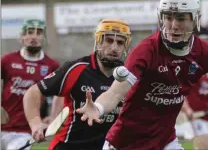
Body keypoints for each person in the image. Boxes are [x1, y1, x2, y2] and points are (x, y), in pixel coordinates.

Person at [76, 0, 208, 150]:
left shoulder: (206, 53)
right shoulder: (146, 51)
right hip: (124, 144)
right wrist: (98, 108)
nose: (173, 25)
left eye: (181, 18)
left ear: (196, 19)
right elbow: (115, 92)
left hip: (165, 143)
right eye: (168, 17)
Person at [23, 19, 132, 150]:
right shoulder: (76, 69)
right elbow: (33, 92)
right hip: (69, 146)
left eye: (120, 42)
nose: (114, 47)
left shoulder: (129, 76)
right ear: (98, 41)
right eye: (109, 40)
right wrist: (36, 124)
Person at [1, 19, 59, 150]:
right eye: (29, 32)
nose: (33, 36)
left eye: (39, 33)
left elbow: (61, 93)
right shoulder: (7, 60)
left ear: (44, 38)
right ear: (21, 37)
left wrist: (54, 116)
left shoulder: (51, 66)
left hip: (24, 132)